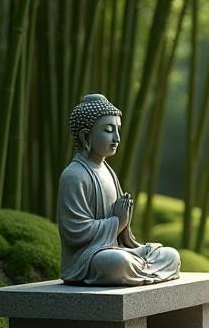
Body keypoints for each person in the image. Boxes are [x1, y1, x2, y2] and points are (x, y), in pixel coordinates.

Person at [57, 94, 180, 286]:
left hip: (117, 247)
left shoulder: (108, 170)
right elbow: (75, 232)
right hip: (88, 258)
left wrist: (123, 226)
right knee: (116, 264)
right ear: (85, 136)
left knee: (170, 255)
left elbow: (123, 236)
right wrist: (117, 221)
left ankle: (141, 268)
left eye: (118, 130)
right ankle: (140, 270)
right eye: (108, 130)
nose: (117, 138)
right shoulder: (74, 175)